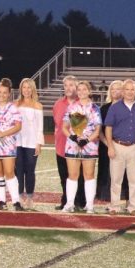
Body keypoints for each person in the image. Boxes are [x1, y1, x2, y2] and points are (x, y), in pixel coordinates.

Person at [105, 79, 135, 215]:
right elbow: (108, 128)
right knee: (116, 179)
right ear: (123, 91)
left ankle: (134, 206)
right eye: (127, 89)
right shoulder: (115, 107)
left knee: (134, 179)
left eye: (132, 89)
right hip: (118, 146)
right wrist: (110, 146)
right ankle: (114, 206)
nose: (129, 92)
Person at [61, 81, 102, 213]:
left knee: (89, 175)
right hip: (73, 145)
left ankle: (89, 205)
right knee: (72, 175)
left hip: (90, 145)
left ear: (89, 91)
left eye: (84, 89)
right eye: (79, 89)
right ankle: (69, 204)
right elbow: (64, 127)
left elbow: (97, 130)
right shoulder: (71, 107)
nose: (82, 92)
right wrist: (73, 137)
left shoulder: (95, 108)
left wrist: (86, 140)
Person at [0, 78, 24, 211]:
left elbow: (18, 126)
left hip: (8, 144)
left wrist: (4, 133)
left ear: (9, 94)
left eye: (5, 92)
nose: (1, 95)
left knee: (9, 172)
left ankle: (16, 201)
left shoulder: (13, 108)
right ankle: (1, 201)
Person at [53, 75, 86, 211]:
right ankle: (66, 200)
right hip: (61, 145)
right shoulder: (58, 104)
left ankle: (80, 201)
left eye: (71, 85)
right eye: (66, 85)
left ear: (77, 86)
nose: (68, 88)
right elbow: (57, 124)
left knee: (79, 176)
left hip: (78, 146)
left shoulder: (83, 104)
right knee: (64, 175)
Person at [98, 81, 128, 203]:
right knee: (107, 173)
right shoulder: (104, 108)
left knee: (125, 173)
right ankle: (109, 200)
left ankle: (127, 199)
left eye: (118, 89)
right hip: (106, 147)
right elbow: (100, 131)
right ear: (109, 91)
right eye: (113, 89)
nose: (115, 91)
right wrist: (109, 144)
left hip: (124, 146)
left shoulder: (128, 107)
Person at [15, 78, 43, 210]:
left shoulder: (38, 105)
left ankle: (30, 197)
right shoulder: (15, 104)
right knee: (18, 170)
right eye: (24, 87)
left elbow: (40, 127)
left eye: (28, 87)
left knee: (30, 171)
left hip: (32, 143)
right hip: (17, 142)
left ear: (33, 89)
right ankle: (19, 197)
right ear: (21, 89)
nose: (26, 90)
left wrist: (39, 144)